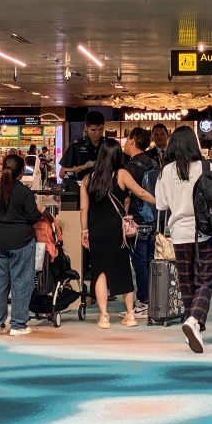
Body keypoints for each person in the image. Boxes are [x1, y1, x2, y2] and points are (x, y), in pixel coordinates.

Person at [154, 126, 212, 353]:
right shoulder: (206, 168)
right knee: (205, 280)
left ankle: (192, 327)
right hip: (203, 233)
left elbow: (161, 205)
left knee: (186, 283)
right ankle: (195, 320)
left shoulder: (166, 171)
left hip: (178, 234)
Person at [80, 137, 156, 329]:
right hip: (117, 230)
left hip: (96, 229)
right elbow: (140, 193)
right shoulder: (121, 174)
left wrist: (85, 231)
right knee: (122, 268)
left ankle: (104, 316)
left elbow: (83, 209)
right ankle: (130, 314)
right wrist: (160, 202)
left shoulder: (88, 178)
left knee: (100, 272)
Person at [0, 154, 43, 336]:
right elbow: (33, 216)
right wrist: (39, 211)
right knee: (21, 282)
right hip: (21, 241)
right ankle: (18, 324)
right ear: (22, 171)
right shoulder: (25, 192)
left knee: (0, 282)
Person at [123, 127, 157, 316]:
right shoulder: (153, 163)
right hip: (152, 218)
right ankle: (152, 298)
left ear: (132, 141)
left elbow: (129, 195)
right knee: (150, 260)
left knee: (139, 261)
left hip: (137, 219)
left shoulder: (129, 167)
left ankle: (143, 300)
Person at [60, 111, 107, 185]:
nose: (97, 133)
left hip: (104, 187)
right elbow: (62, 173)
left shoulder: (109, 145)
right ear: (86, 127)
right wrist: (84, 167)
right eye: (93, 130)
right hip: (82, 187)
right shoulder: (76, 146)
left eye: (100, 129)